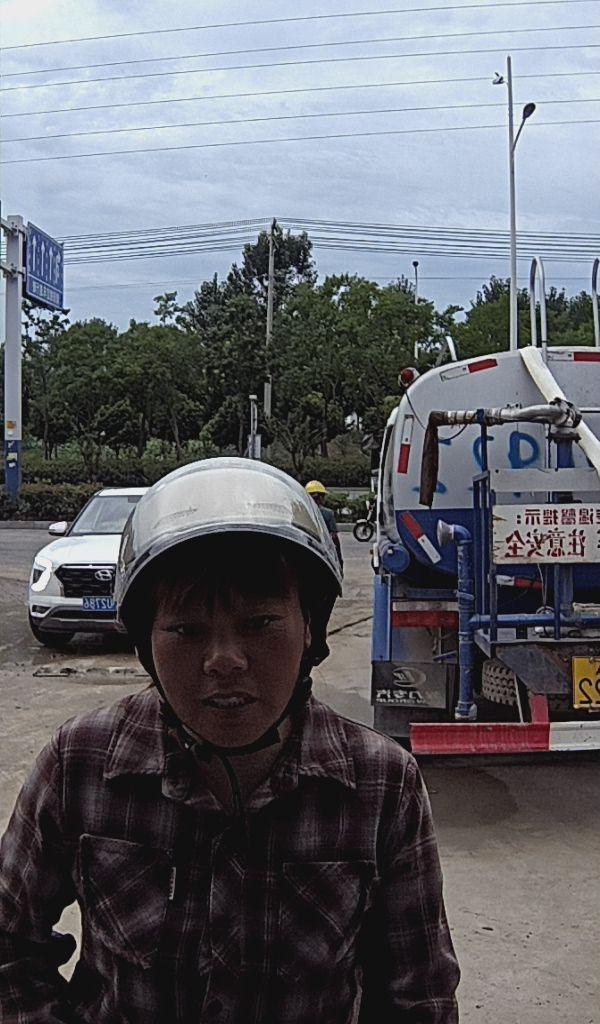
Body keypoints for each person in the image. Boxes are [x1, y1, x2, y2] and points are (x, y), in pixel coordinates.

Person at [0, 458, 459, 1023]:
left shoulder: (382, 785)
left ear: (310, 629)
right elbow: (9, 943)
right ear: (145, 643)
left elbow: (419, 996)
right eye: (186, 630)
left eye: (259, 624)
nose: (224, 661)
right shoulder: (80, 763)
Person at [304, 479, 344, 573]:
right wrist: (339, 559)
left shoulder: (302, 512)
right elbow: (334, 537)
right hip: (324, 554)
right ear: (320, 497)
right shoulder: (328, 514)